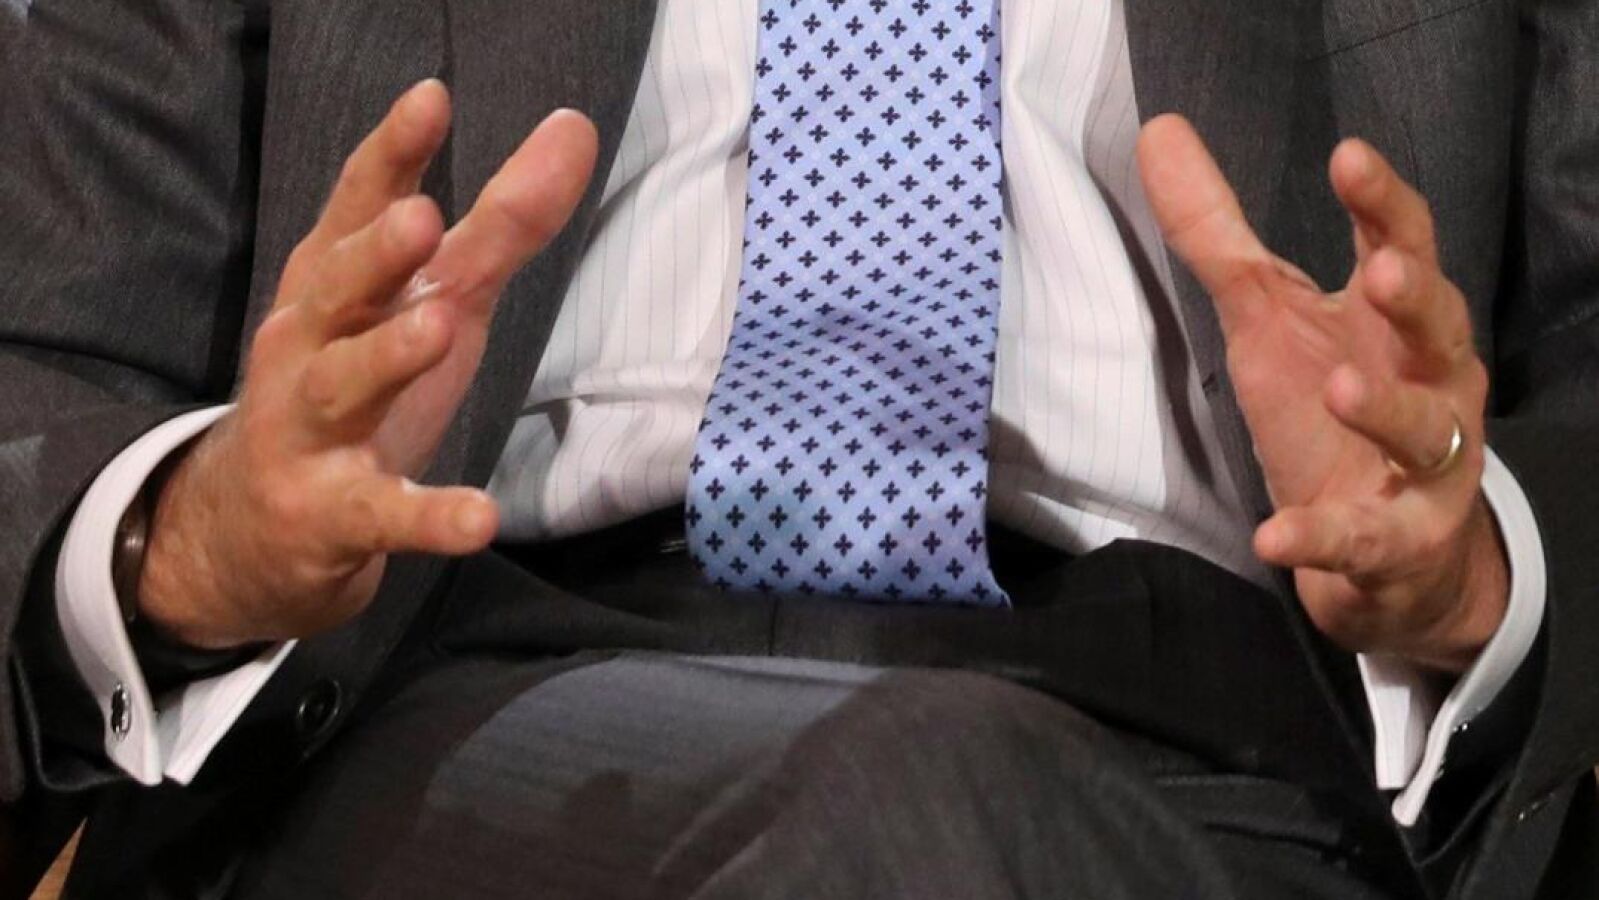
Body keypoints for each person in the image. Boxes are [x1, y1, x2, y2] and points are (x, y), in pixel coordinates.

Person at [1, 0, 1595, 897]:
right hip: (461, 696)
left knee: (920, 797)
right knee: (906, 804)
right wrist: (192, 540)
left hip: (1226, 745)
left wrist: (1469, 567)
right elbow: (46, 355)